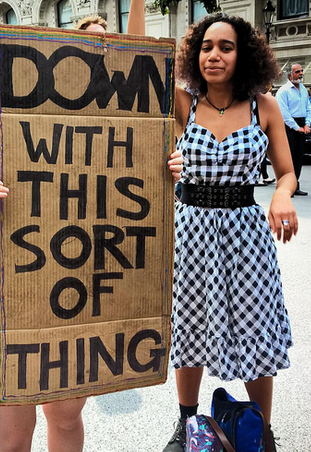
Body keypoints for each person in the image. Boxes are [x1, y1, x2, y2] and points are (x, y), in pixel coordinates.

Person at [0, 35, 182, 452]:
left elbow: (129, 231)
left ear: (3, 90)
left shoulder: (83, 150)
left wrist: (158, 177)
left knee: (65, 421)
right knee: (14, 437)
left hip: (73, 312)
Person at [128, 6, 298, 452]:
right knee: (190, 328)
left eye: (226, 47)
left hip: (246, 233)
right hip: (192, 231)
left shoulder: (266, 105)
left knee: (255, 328)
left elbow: (286, 173)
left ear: (244, 55)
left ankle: (261, 428)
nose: (215, 55)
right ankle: (186, 424)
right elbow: (137, 59)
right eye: (206, 47)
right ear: (194, 55)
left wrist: (282, 195)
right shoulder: (184, 101)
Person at [275, 63, 310, 196]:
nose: (301, 73)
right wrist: (296, 128)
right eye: (297, 72)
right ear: (290, 75)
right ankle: (285, 187)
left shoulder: (304, 90)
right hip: (289, 127)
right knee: (287, 158)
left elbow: (308, 108)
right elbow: (284, 113)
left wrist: (307, 125)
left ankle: (295, 185)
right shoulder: (283, 91)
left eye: (301, 71)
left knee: (299, 157)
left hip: (302, 125)